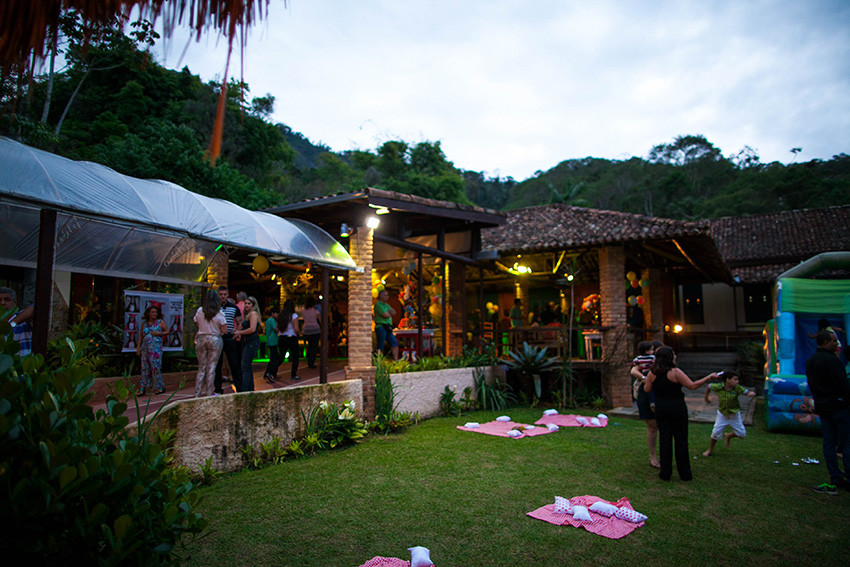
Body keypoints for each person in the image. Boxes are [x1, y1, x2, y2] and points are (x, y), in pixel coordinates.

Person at [644, 346, 717, 481]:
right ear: (669, 357)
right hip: (677, 408)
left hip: (661, 408)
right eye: (673, 354)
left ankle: (665, 473)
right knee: (680, 439)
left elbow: (647, 389)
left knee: (664, 439)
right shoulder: (675, 372)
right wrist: (707, 378)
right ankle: (684, 473)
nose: (675, 356)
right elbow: (692, 386)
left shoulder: (652, 373)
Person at [807, 330, 850, 494]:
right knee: (846, 443)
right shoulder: (833, 361)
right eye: (833, 341)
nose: (836, 344)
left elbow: (812, 385)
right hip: (839, 407)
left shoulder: (811, 361)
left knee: (829, 443)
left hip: (824, 407)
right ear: (825, 342)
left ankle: (835, 476)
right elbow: (842, 385)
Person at [701, 370, 756, 457]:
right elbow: (709, 386)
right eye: (735, 379)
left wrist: (750, 393)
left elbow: (745, 391)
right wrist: (706, 398)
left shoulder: (737, 388)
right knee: (715, 432)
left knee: (742, 434)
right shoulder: (719, 387)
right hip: (722, 414)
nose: (737, 382)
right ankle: (710, 449)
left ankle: (729, 435)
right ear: (727, 380)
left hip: (734, 415)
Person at [630, 340, 660, 468]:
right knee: (652, 425)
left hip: (661, 393)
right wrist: (643, 378)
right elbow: (633, 370)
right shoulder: (645, 362)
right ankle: (653, 455)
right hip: (647, 392)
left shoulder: (663, 363)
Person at [193, 289, 227, 397]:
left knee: (202, 366)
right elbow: (225, 330)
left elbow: (196, 322)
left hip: (201, 337)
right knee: (212, 367)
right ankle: (209, 392)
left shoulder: (200, 310)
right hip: (215, 338)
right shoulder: (219, 312)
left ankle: (197, 393)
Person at [214, 286, 242, 395]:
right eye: (220, 294)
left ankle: (239, 387)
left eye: (224, 294)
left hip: (229, 337)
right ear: (218, 295)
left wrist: (237, 333)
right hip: (217, 337)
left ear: (228, 294)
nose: (222, 296)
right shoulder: (214, 308)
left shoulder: (234, 308)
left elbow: (240, 322)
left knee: (234, 363)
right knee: (218, 364)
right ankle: (218, 388)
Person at [136, 304, 169, 395]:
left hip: (155, 348)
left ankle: (160, 386)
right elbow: (141, 336)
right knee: (144, 367)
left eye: (155, 312)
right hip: (145, 347)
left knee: (155, 366)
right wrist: (138, 347)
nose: (154, 314)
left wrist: (158, 333)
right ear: (148, 313)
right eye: (152, 312)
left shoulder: (160, 322)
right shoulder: (144, 324)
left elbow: (167, 331)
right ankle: (143, 387)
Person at [234, 296, 262, 392]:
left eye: (249, 303)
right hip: (247, 342)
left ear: (253, 305)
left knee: (245, 366)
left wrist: (239, 333)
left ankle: (245, 389)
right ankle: (250, 388)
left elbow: (252, 329)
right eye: (245, 303)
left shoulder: (253, 314)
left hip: (252, 342)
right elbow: (240, 326)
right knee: (247, 366)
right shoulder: (247, 315)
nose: (246, 305)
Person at [0, 286, 33, 357]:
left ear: (15, 303)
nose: (2, 303)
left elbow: (35, 308)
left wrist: (12, 323)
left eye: (7, 300)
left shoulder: (23, 318)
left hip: (21, 366)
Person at [279, 299, 301, 381]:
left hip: (282, 337)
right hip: (291, 337)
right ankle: (293, 375)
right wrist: (298, 334)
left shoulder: (281, 315)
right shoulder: (293, 315)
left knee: (281, 357)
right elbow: (296, 328)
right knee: (295, 357)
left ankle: (271, 372)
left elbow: (278, 327)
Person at [373, 289, 398, 360]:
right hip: (381, 326)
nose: (387, 297)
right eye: (385, 295)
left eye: (387, 295)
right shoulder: (378, 304)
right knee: (380, 345)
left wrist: (388, 312)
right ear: (381, 296)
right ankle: (379, 361)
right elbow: (385, 315)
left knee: (394, 343)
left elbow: (394, 312)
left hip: (388, 327)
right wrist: (389, 312)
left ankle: (396, 360)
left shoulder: (387, 305)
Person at [301, 295, 321, 369]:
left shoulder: (303, 311)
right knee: (314, 346)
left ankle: (309, 361)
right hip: (315, 329)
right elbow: (320, 320)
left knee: (309, 346)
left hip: (306, 329)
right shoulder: (315, 311)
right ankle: (312, 362)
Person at [263, 305, 281, 383]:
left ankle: (270, 373)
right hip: (272, 341)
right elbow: (276, 329)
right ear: (273, 313)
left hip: (271, 341)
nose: (277, 315)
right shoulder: (271, 320)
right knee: (274, 358)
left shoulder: (268, 320)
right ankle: (270, 372)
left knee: (274, 358)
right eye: (277, 313)